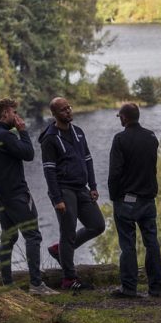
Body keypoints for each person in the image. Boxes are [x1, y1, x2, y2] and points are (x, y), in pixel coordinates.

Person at [0, 99, 58, 295]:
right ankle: (36, 285)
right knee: (33, 235)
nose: (17, 116)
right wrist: (23, 131)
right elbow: (28, 154)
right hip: (17, 194)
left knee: (9, 237)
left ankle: (6, 283)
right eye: (14, 112)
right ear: (5, 114)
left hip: (0, 196)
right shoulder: (6, 136)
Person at [39, 96, 105, 291]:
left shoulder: (78, 132)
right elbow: (49, 170)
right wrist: (57, 198)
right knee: (67, 233)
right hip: (64, 190)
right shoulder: (50, 138)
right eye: (63, 109)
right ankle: (69, 279)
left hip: (81, 188)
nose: (68, 111)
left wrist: (92, 186)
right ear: (55, 114)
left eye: (69, 107)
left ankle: (59, 250)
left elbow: (88, 159)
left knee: (97, 225)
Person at [107, 103, 161, 298]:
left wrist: (114, 195)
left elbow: (115, 171)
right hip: (148, 198)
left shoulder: (120, 139)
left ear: (124, 118)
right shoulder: (151, 137)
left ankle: (129, 287)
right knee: (152, 242)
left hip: (127, 200)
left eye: (120, 117)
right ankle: (155, 286)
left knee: (128, 244)